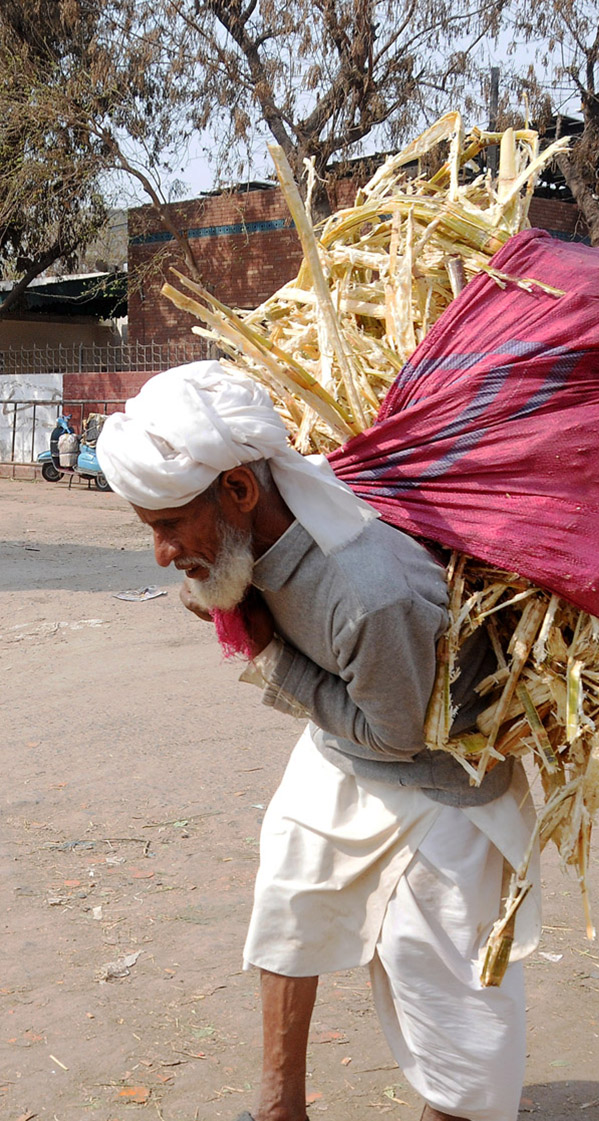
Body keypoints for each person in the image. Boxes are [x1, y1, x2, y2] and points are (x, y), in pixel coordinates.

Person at [97, 360, 541, 1121]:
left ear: (239, 489)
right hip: (344, 753)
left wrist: (272, 656)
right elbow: (217, 584)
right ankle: (280, 1111)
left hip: (442, 780)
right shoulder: (252, 533)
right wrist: (216, 592)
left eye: (170, 527)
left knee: (440, 991)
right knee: (289, 899)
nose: (164, 553)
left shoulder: (370, 594)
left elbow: (396, 736)